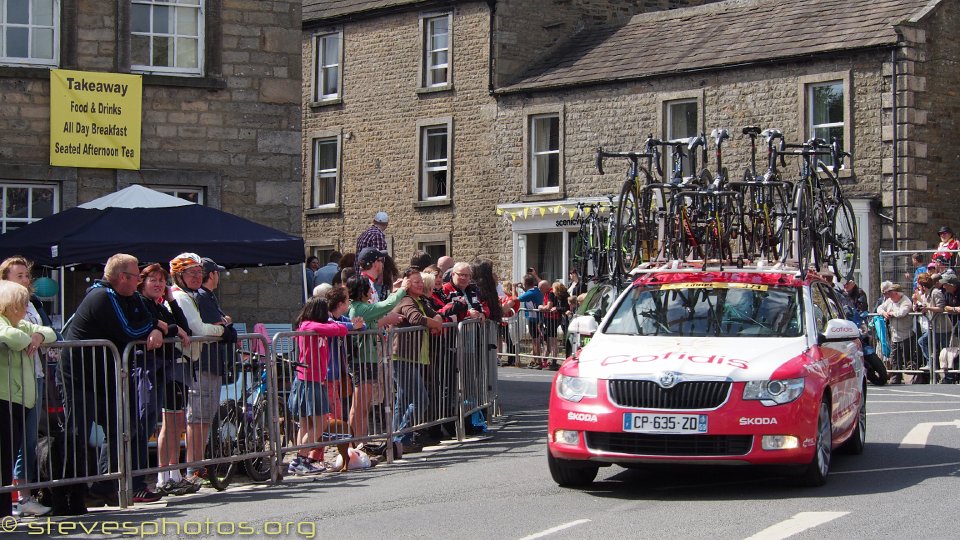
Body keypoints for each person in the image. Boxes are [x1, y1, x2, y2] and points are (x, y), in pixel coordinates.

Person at [57, 253, 165, 513]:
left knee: (123, 429)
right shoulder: (102, 296)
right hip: (81, 377)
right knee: (77, 435)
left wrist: (159, 327)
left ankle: (106, 487)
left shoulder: (130, 297)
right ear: (121, 278)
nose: (140, 281)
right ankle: (70, 493)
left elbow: (153, 318)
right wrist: (155, 325)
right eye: (136, 277)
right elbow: (129, 330)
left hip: (106, 375)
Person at [170, 254, 234, 491]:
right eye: (192, 273)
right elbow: (201, 328)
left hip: (205, 362)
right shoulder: (195, 297)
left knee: (203, 417)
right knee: (197, 418)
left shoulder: (197, 296)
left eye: (199, 272)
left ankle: (195, 466)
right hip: (201, 364)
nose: (198, 277)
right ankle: (192, 467)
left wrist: (224, 327)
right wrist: (224, 328)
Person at [0, 256, 57, 517]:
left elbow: (50, 331)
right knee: (6, 453)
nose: (26, 280)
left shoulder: (25, 314)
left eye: (27, 275)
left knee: (23, 445)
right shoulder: (6, 319)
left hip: (27, 391)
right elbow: (10, 337)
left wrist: (37, 334)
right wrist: (28, 337)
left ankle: (22, 498)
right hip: (6, 395)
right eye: (19, 275)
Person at [137, 263, 197, 497]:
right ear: (142, 282)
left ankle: (173, 474)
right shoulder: (141, 303)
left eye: (162, 280)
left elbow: (183, 328)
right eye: (153, 280)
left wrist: (171, 300)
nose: (158, 284)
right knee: (159, 422)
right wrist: (170, 328)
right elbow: (150, 324)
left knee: (175, 422)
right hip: (148, 369)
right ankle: (163, 476)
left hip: (166, 368)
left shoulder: (160, 305)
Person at [287, 295, 359, 475]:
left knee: (308, 425)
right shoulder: (308, 325)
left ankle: (300, 459)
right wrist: (338, 325)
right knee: (318, 423)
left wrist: (337, 326)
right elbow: (338, 329)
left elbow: (338, 329)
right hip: (308, 381)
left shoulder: (321, 327)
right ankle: (301, 459)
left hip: (314, 380)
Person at [347, 273, 408, 446]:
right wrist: (403, 289)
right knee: (359, 406)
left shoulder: (362, 307)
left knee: (364, 406)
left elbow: (381, 311)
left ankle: (361, 442)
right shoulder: (359, 308)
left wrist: (395, 290)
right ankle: (354, 444)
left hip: (369, 359)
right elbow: (386, 305)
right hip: (363, 360)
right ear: (363, 290)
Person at [390, 269, 443, 453]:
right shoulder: (405, 300)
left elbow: (437, 314)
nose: (420, 284)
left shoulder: (420, 300)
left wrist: (436, 320)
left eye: (421, 281)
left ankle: (395, 440)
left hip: (415, 357)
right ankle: (401, 437)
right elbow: (416, 319)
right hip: (402, 356)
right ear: (407, 284)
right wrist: (435, 323)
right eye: (415, 282)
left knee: (403, 401)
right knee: (421, 400)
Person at [877, 281, 917, 384]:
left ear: (897, 293)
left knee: (908, 357)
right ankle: (895, 377)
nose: (889, 295)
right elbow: (879, 308)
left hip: (906, 334)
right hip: (894, 334)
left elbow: (902, 313)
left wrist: (891, 314)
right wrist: (884, 313)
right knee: (894, 357)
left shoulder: (906, 301)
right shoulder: (889, 301)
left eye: (891, 292)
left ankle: (914, 378)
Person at [914, 272, 951, 380]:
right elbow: (926, 306)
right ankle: (931, 363)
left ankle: (949, 377)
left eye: (919, 285)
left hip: (943, 328)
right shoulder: (926, 294)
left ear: (923, 286)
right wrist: (919, 307)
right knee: (922, 341)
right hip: (934, 327)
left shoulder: (936, 292)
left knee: (945, 352)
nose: (918, 287)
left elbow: (941, 308)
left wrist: (928, 308)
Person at [515, 274, 544, 368]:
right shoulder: (536, 290)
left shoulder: (531, 293)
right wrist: (523, 288)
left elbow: (515, 299)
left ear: (526, 283)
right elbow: (529, 295)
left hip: (533, 318)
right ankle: (534, 360)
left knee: (535, 341)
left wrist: (513, 288)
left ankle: (538, 361)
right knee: (535, 340)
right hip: (536, 317)